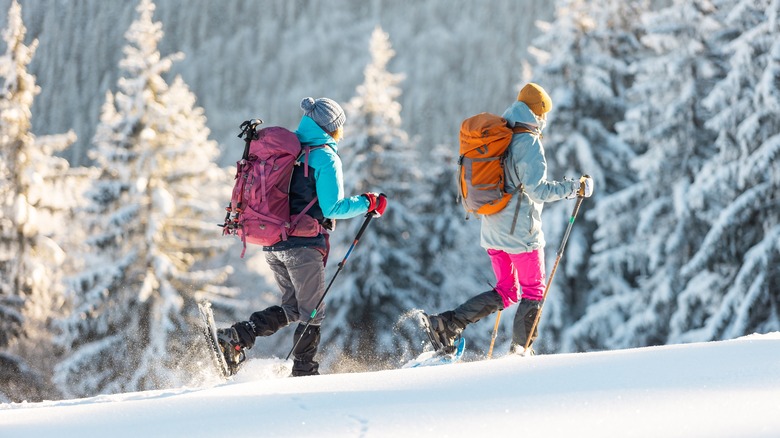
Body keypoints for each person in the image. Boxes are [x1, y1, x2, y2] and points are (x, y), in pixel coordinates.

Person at [218, 97, 388, 376]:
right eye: (340, 127)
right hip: (303, 245)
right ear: (331, 127)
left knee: (294, 308)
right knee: (312, 313)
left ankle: (239, 336)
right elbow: (333, 207)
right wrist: (368, 203)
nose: (342, 133)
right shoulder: (325, 157)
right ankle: (304, 371)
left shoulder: (289, 151)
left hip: (274, 243)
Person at [424, 83, 593, 356]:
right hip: (520, 234)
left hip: (491, 229)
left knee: (507, 291)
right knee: (533, 290)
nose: (545, 119)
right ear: (538, 113)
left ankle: (449, 322)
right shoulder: (528, 143)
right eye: (544, 113)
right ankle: (521, 352)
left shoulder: (499, 133)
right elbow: (538, 190)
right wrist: (574, 188)